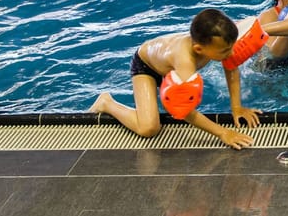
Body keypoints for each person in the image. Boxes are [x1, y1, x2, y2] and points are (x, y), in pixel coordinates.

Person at [88, 9, 257, 148]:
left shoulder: (215, 45)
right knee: (148, 128)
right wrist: (223, 132)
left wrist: (237, 107)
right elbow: (184, 111)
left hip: (169, 67)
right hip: (147, 66)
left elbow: (231, 66)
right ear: (198, 49)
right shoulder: (184, 60)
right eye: (225, 51)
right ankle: (107, 103)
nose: (231, 53)